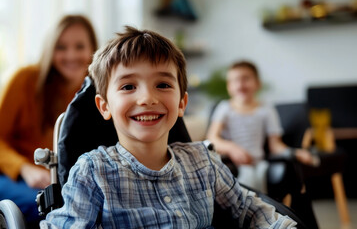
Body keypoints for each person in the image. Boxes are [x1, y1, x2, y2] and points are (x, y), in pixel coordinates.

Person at [40, 27, 297, 228]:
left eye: (162, 85)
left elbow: (249, 210)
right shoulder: (93, 172)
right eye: (128, 86)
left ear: (182, 102)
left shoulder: (204, 162)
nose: (147, 99)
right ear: (104, 106)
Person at [0, 15, 98, 225]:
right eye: (61, 47)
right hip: (1, 179)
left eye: (79, 46)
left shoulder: (98, 95)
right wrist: (25, 168)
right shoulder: (24, 79)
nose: (71, 55)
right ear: (50, 49)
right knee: (50, 208)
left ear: (93, 50)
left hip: (55, 186)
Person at [206, 60, 319, 229]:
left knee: (260, 180)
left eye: (246, 79)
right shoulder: (225, 108)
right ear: (229, 86)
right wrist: (232, 147)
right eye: (235, 80)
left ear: (257, 83)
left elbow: (276, 145)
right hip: (231, 165)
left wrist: (295, 153)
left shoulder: (266, 110)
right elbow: (212, 138)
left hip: (258, 164)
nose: (241, 84)